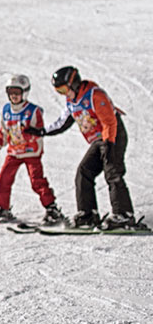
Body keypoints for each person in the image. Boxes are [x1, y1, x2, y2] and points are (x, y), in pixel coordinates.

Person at [24, 66, 146, 230]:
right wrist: (41, 131)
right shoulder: (72, 102)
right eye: (59, 91)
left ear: (73, 83)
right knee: (84, 171)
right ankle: (87, 214)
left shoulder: (95, 95)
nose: (63, 94)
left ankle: (124, 215)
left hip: (113, 135)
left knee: (112, 172)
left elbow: (110, 121)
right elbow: (62, 123)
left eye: (64, 89)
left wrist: (109, 144)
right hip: (99, 140)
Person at [0, 75, 63, 224]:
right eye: (11, 92)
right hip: (14, 152)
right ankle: (2, 208)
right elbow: (4, 131)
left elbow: (39, 130)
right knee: (3, 179)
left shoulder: (33, 111)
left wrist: (30, 134)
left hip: (31, 152)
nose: (14, 96)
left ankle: (52, 208)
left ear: (25, 92)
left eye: (17, 92)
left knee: (37, 181)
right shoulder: (7, 110)